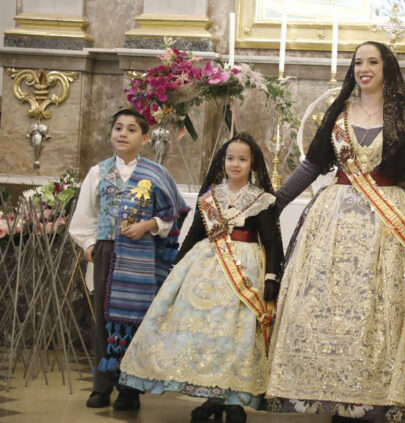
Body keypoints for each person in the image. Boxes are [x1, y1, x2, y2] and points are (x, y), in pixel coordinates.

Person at [267, 41, 405, 423]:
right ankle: (336, 398)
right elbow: (313, 165)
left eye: (372, 62)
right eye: (358, 63)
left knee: (379, 309)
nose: (363, 68)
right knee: (328, 305)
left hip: (387, 223)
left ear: (387, 68)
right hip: (332, 219)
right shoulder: (339, 112)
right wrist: (275, 203)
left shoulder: (404, 115)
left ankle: (377, 402)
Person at [118, 132, 283, 423]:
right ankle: (212, 397)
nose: (235, 164)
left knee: (235, 337)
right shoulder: (209, 197)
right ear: (223, 161)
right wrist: (177, 267)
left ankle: (234, 400)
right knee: (209, 336)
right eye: (230, 158)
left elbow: (272, 240)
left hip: (245, 272)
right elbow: (196, 233)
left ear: (252, 164)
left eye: (242, 159)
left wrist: (272, 276)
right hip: (205, 268)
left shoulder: (262, 199)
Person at [69, 108, 189, 410]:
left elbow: (173, 213)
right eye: (118, 127)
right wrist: (89, 244)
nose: (122, 133)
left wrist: (147, 226)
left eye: (131, 129)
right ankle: (101, 386)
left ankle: (129, 388)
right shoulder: (99, 172)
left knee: (136, 322)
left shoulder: (156, 174)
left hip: (140, 257)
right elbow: (84, 215)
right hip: (107, 252)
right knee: (103, 320)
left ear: (145, 137)